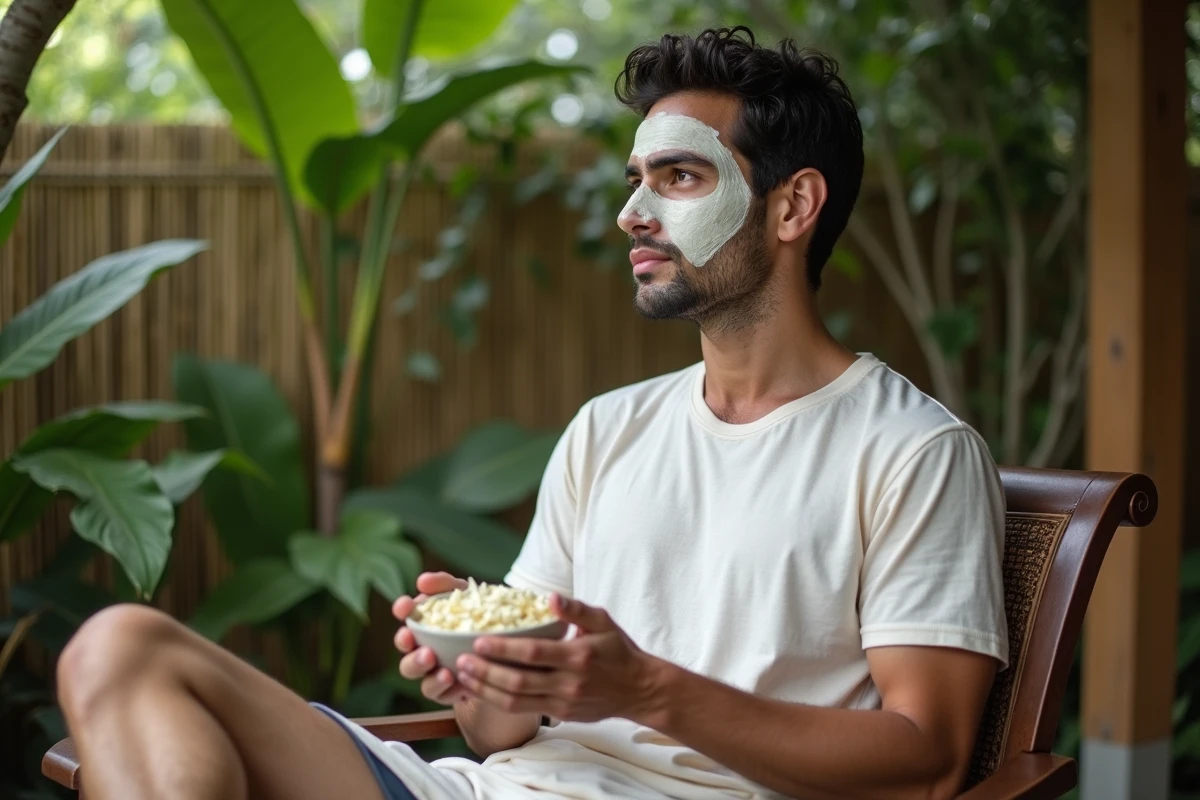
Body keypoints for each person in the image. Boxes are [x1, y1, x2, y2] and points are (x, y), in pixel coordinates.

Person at [55, 26, 1007, 800]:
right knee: (120, 645)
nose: (634, 212)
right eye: (635, 180)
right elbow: (498, 735)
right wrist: (485, 677)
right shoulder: (610, 428)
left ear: (794, 205)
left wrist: (648, 689)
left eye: (678, 178)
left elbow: (926, 763)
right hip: (483, 788)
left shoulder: (911, 452)